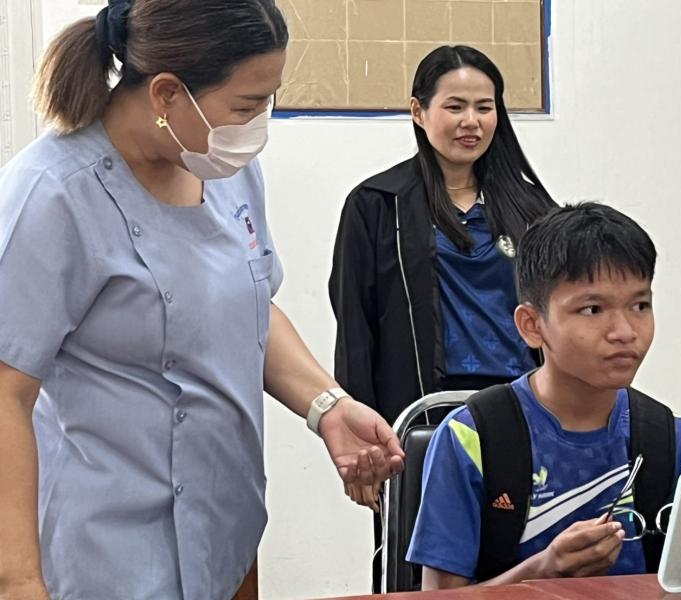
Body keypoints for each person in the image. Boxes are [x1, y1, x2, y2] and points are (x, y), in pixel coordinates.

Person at [0, 1, 403, 599]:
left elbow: (250, 304)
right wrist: (17, 579)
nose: (258, 125)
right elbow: (7, 389)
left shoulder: (224, 171)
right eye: (246, 106)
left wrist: (327, 405)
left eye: (267, 101)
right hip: (104, 552)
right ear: (167, 93)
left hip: (224, 533)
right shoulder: (53, 193)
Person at [328, 46, 555, 587]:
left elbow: (558, 316)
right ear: (418, 111)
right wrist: (363, 443)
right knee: (423, 572)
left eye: (485, 107)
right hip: (422, 422)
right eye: (455, 106)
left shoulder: (533, 211)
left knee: (522, 562)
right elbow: (356, 331)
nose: (471, 122)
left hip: (519, 413)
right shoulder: (377, 204)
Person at [406, 202, 681, 589]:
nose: (624, 331)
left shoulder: (672, 439)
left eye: (640, 305)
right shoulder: (472, 438)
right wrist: (544, 570)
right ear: (532, 326)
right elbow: (439, 598)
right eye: (593, 309)